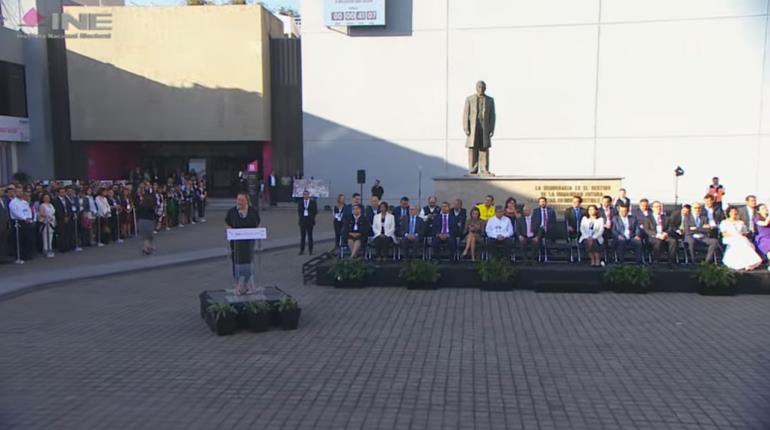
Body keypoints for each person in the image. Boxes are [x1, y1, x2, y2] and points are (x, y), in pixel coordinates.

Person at [225, 192, 261, 294]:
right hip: (236, 244)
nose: (239, 202)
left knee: (248, 263)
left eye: (241, 200)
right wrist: (230, 233)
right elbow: (228, 224)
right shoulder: (232, 212)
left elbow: (258, 223)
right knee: (237, 263)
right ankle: (239, 285)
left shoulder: (252, 211)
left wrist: (257, 234)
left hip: (249, 243)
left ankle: (249, 285)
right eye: (238, 200)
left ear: (246, 201)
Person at [720, 206, 762, 271]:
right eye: (732, 211)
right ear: (729, 213)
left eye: (735, 211)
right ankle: (740, 264)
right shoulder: (724, 222)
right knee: (739, 241)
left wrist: (741, 234)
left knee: (742, 242)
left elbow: (745, 232)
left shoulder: (740, 222)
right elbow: (724, 234)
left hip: (740, 237)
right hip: (729, 238)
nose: (734, 213)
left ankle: (747, 263)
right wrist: (733, 235)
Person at [9, 190, 35, 260]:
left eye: (21, 191)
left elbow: (28, 210)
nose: (20, 193)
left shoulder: (25, 202)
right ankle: (20, 255)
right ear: (15, 193)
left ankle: (27, 254)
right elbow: (16, 213)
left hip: (27, 222)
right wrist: (24, 218)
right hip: (18, 222)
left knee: (27, 239)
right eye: (18, 192)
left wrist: (29, 218)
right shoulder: (13, 202)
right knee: (20, 240)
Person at [136, 188, 157, 256]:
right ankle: (145, 248)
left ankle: (148, 247)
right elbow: (153, 212)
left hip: (141, 221)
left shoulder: (141, 204)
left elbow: (138, 212)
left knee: (145, 236)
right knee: (148, 235)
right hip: (149, 221)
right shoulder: (151, 204)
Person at [53, 187, 74, 253]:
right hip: (60, 219)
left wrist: (68, 216)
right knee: (62, 234)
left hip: (68, 218)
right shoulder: (55, 200)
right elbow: (57, 210)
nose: (63, 193)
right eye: (61, 192)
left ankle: (68, 246)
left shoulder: (67, 199)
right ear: (58, 193)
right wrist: (63, 217)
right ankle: (62, 248)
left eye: (64, 192)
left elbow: (70, 208)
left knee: (68, 233)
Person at [297, 190, 318, 255]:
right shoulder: (300, 202)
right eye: (304, 195)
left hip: (310, 221)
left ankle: (310, 250)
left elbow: (315, 211)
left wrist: (311, 216)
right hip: (303, 221)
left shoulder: (312, 202)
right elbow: (299, 211)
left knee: (310, 236)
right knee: (302, 236)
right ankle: (302, 250)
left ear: (308, 195)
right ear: (303, 195)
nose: (305, 196)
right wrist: (302, 217)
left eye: (307, 194)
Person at [37, 193, 56, 258]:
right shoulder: (42, 205)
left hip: (52, 222)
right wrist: (47, 216)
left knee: (51, 235)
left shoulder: (51, 205)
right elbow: (41, 214)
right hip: (46, 222)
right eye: (45, 198)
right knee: (45, 236)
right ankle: (45, 249)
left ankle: (50, 248)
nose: (47, 199)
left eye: (48, 197)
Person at [0, 187, 10, 262]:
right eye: (1, 191)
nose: (2, 192)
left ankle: (3, 257)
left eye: (3, 190)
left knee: (4, 242)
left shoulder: (3, 200)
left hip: (4, 224)